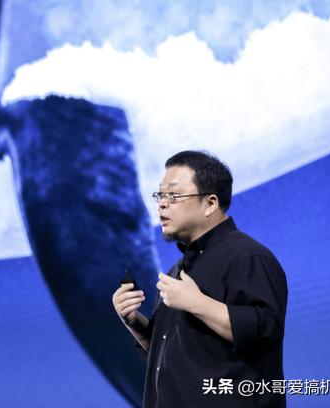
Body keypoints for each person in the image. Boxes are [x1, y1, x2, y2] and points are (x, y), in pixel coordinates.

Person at [112, 150, 287, 407]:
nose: (162, 204)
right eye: (160, 195)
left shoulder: (248, 256)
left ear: (210, 203)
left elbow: (265, 332)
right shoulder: (178, 270)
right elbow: (176, 359)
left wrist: (197, 303)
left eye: (173, 195)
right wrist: (135, 323)